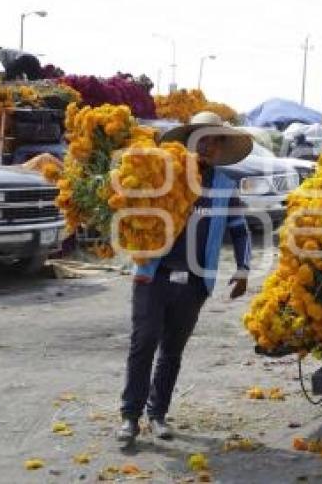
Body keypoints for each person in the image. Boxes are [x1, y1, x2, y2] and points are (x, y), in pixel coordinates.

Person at [116, 111, 254, 442]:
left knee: (172, 350)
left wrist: (243, 268)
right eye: (199, 138)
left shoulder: (224, 186)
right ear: (189, 141)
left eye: (213, 140)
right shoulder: (166, 173)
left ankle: (157, 414)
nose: (206, 146)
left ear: (220, 148)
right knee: (144, 341)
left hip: (195, 283)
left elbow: (240, 231)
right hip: (154, 274)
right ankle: (130, 417)